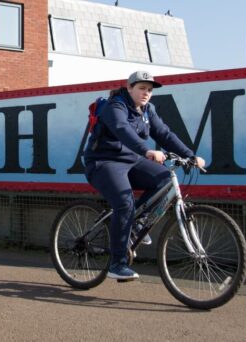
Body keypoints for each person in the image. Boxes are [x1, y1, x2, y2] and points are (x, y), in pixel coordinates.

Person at [83, 70, 206, 281]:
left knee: (165, 179)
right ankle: (117, 264)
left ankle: (135, 224)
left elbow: (165, 134)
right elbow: (122, 129)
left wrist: (190, 156)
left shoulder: (148, 110)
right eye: (141, 88)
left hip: (132, 160)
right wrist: (146, 151)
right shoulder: (115, 106)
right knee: (124, 202)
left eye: (149, 90)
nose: (146, 93)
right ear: (129, 87)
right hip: (104, 162)